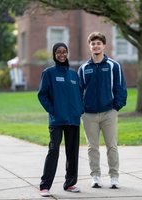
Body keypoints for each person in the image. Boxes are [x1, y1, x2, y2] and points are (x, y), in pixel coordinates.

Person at [78, 32, 127, 189]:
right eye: (93, 43)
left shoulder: (113, 66)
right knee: (92, 147)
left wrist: (116, 107)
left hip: (108, 113)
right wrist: (82, 110)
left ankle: (114, 177)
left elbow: (120, 87)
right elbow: (79, 91)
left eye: (99, 43)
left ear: (104, 45)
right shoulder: (84, 68)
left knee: (111, 146)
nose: (96, 46)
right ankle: (96, 176)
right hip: (89, 114)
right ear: (89, 46)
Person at [38, 42, 83, 197]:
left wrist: (79, 109)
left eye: (64, 52)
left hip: (73, 119)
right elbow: (42, 94)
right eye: (58, 52)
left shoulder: (73, 74)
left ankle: (70, 183)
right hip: (57, 119)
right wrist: (52, 111)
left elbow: (80, 94)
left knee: (72, 152)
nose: (62, 54)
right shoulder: (48, 73)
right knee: (54, 150)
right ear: (54, 54)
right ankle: (44, 186)